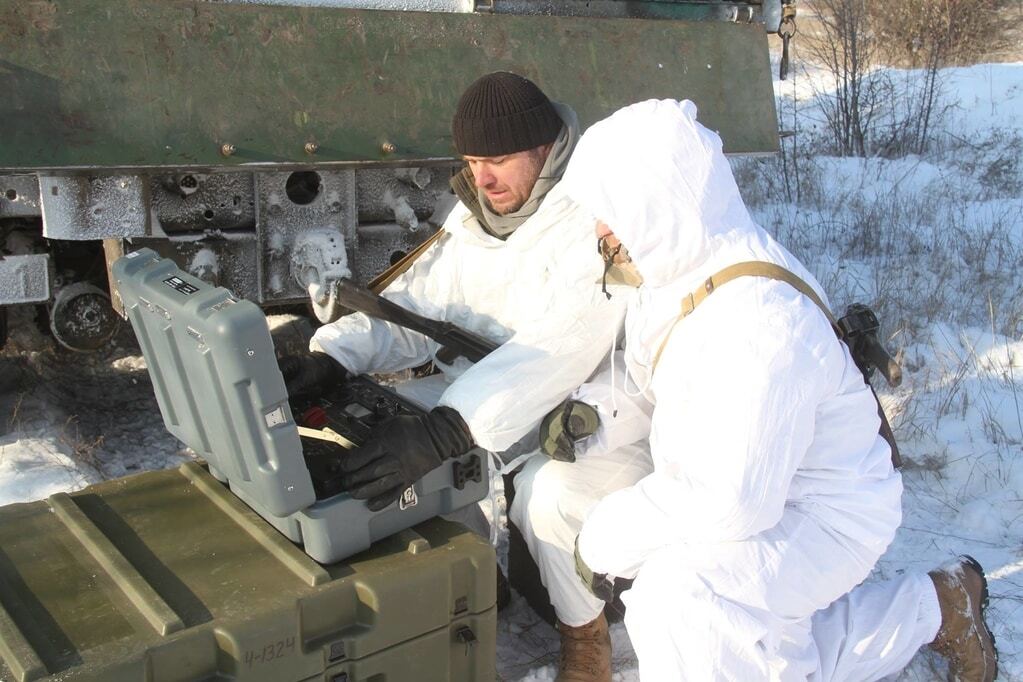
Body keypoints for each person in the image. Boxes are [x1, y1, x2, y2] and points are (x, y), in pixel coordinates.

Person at [559, 99, 998, 681]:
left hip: (827, 511)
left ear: (656, 205)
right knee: (745, 641)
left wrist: (606, 540)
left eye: (612, 213)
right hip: (769, 489)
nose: (601, 231)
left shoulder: (757, 321)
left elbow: (729, 499)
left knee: (685, 599)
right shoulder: (684, 271)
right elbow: (657, 382)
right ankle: (936, 607)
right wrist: (599, 416)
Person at [282, 72, 652, 681]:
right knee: (375, 433)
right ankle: (475, 575)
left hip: (591, 408)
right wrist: (335, 356)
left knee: (544, 496)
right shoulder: (476, 216)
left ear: (544, 147)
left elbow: (560, 348)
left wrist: (448, 431)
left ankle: (583, 632)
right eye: (471, 160)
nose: (481, 178)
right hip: (489, 392)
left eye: (498, 159)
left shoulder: (592, 218)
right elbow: (416, 309)